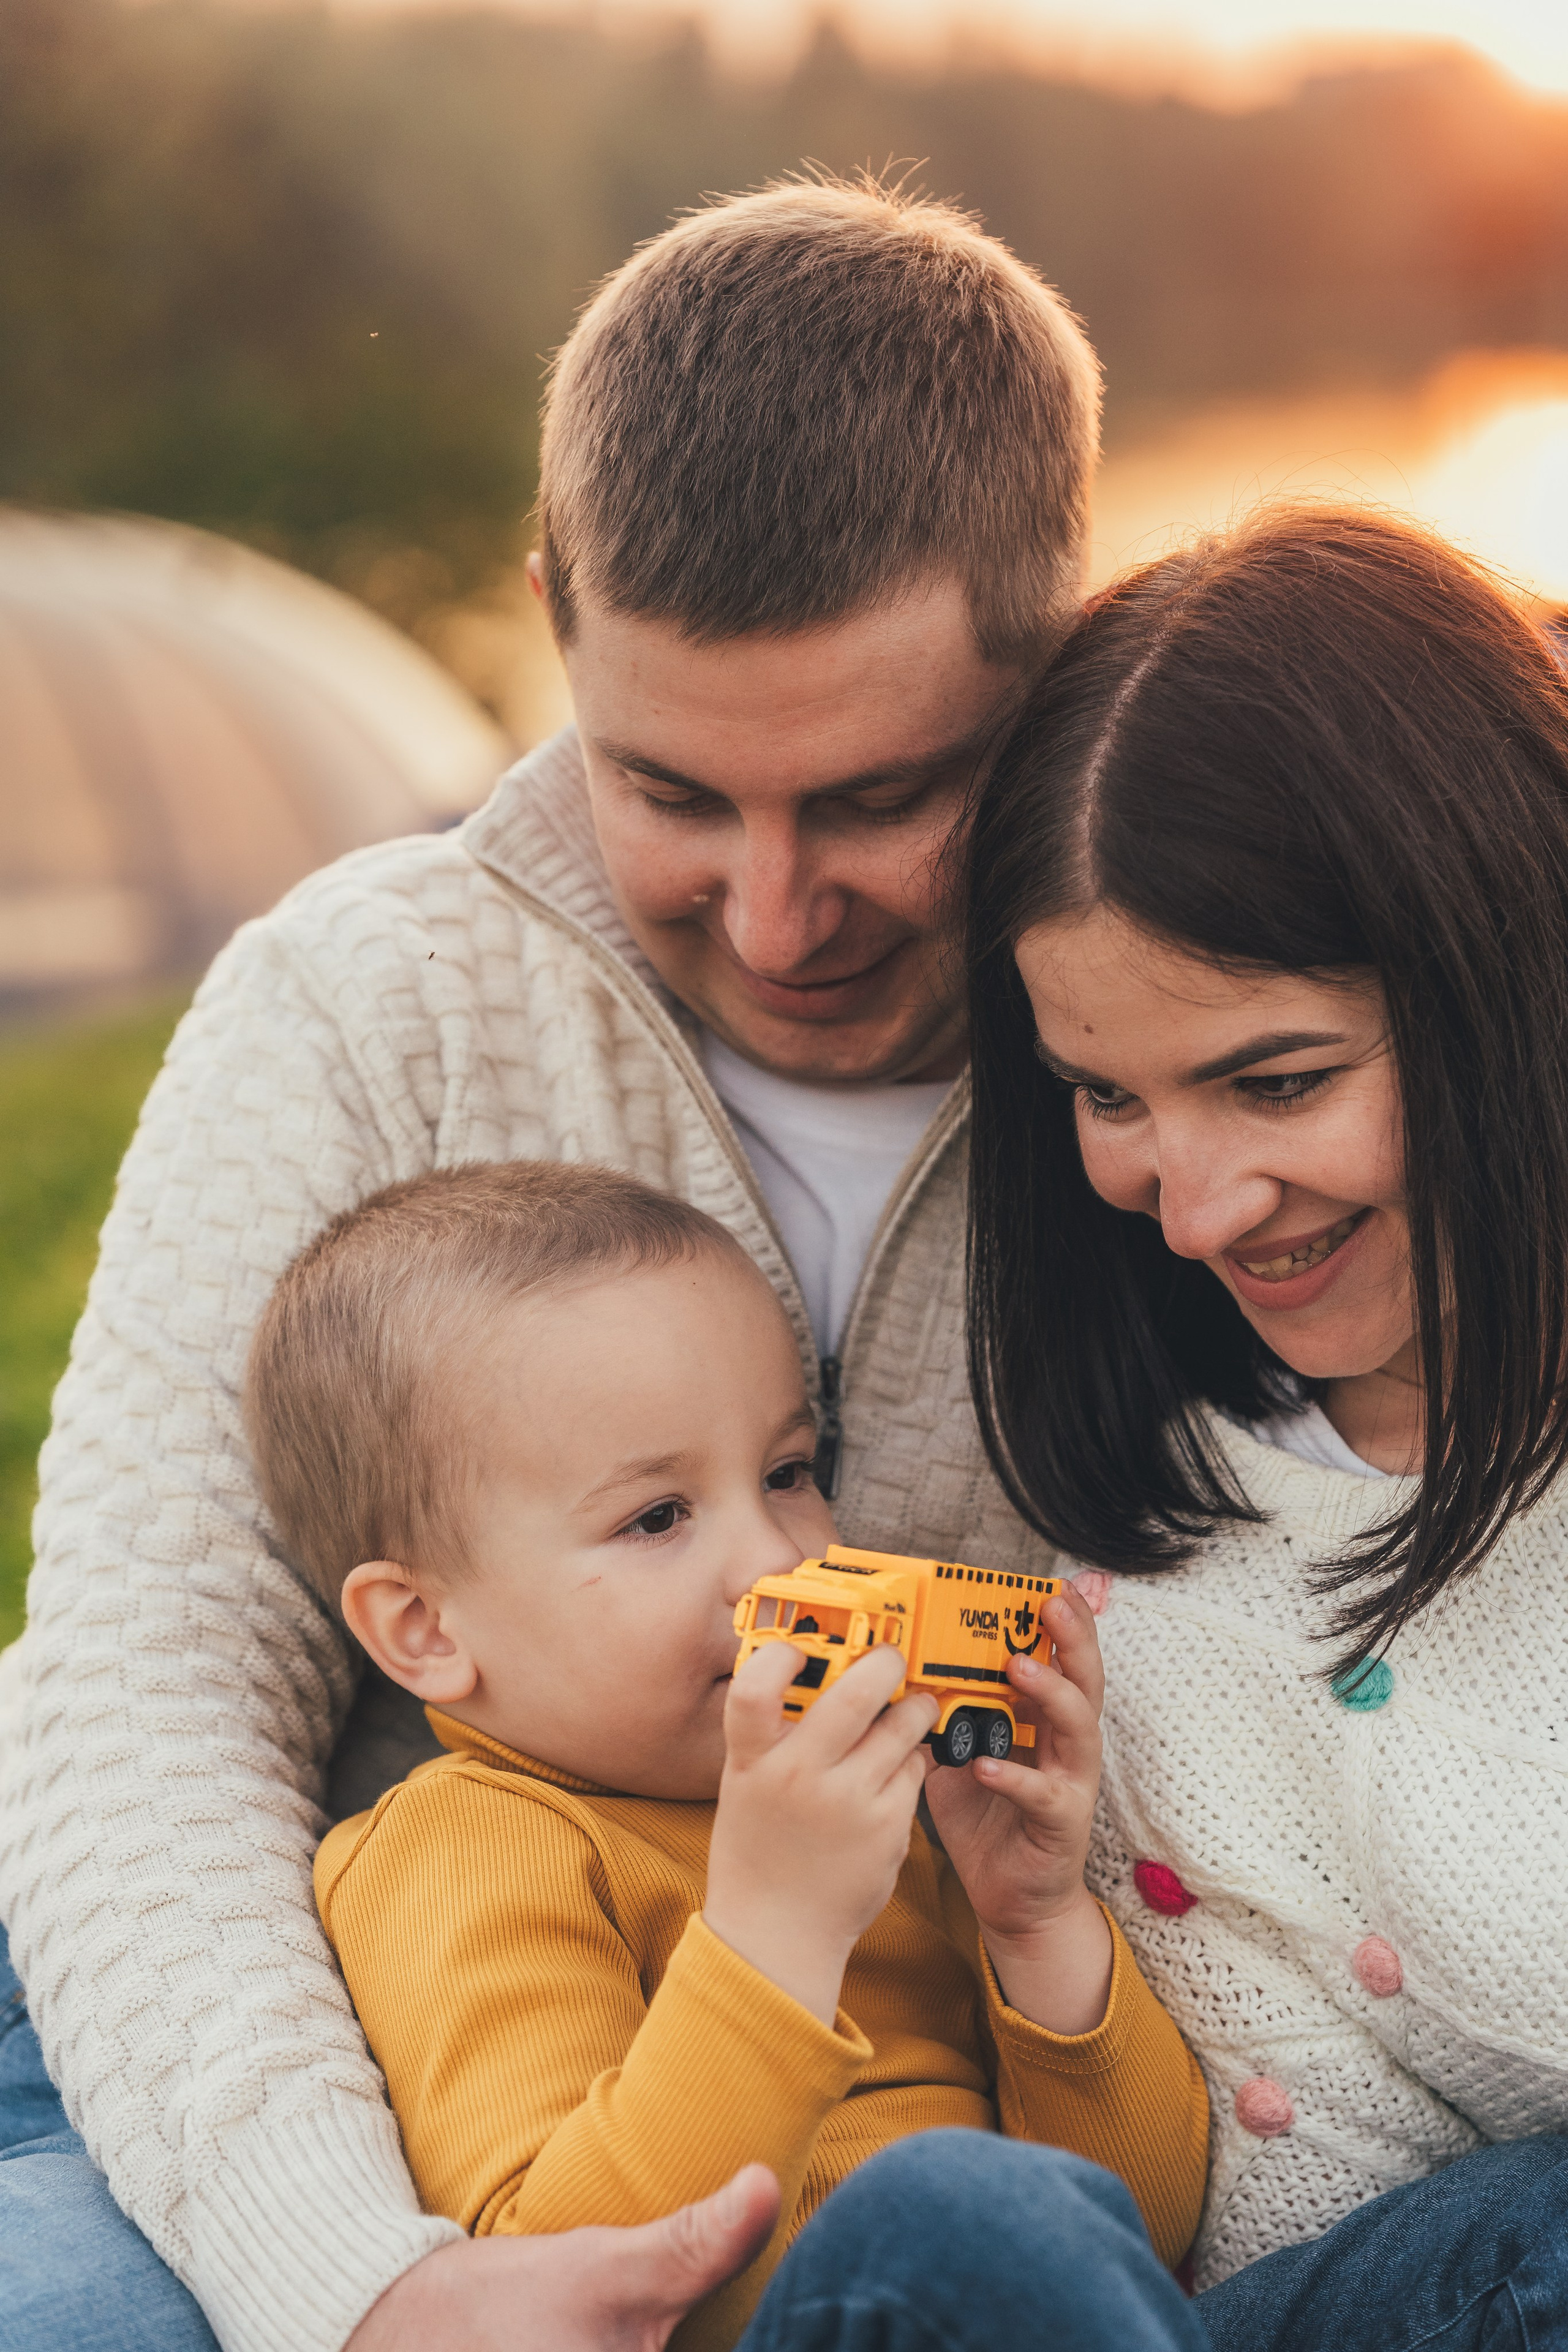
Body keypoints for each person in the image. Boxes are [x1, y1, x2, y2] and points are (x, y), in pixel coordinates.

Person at [0, 177, 1101, 2351]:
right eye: (668, 788)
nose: (777, 918)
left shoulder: (1204, 1030)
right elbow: (145, 1693)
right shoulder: (359, 1000)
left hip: (913, 2078)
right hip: (321, 2011)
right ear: (551, 613)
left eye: (882, 799)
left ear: (1056, 646)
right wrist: (362, 2282)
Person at [244, 1158, 1207, 2346]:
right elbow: (572, 2275)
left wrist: (1032, 1923)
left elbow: (1139, 2236)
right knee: (952, 2205)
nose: (775, 1561)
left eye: (787, 1474)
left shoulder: (877, 1800)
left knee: (1497, 2223)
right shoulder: (462, 1844)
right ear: (426, 1630)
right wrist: (777, 1929)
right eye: (655, 1517)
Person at [963, 505, 1568, 2348]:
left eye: (1278, 1080)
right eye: (1106, 1098)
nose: (1202, 1208)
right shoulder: (1149, 1570)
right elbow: (1162, 2217)